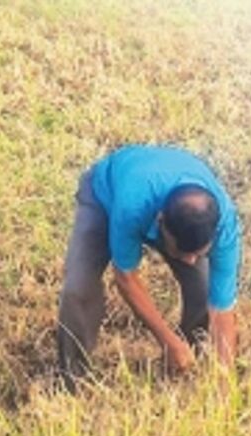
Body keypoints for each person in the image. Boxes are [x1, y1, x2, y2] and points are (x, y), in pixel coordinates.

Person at [56, 144, 241, 385]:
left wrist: (225, 381)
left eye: (199, 253)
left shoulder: (226, 227)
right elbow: (126, 278)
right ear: (160, 222)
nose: (190, 261)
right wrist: (166, 339)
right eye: (183, 252)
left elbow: (222, 310)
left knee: (202, 287)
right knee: (78, 288)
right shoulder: (131, 206)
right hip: (105, 195)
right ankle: (73, 379)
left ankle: (186, 363)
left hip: (159, 200)